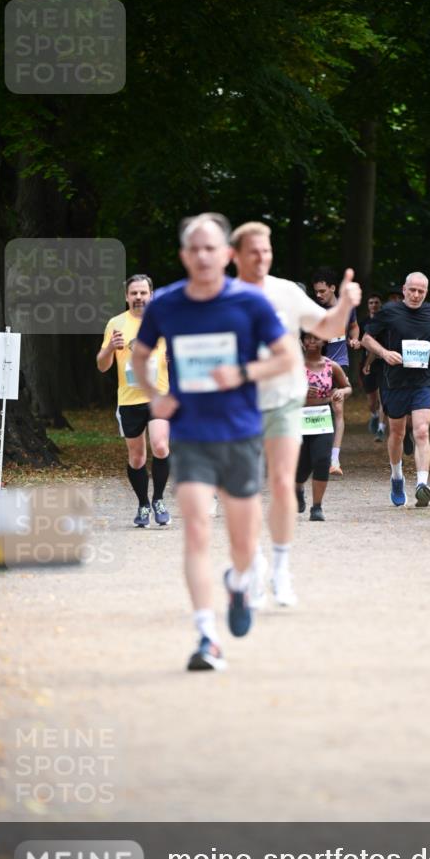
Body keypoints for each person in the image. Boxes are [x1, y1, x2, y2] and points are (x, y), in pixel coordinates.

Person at [132, 214, 294, 672]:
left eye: (211, 249)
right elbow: (141, 356)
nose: (203, 256)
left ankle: (239, 581)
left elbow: (284, 357)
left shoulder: (249, 303)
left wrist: (242, 373)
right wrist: (157, 397)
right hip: (191, 435)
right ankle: (207, 637)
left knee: (244, 547)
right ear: (184, 256)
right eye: (194, 249)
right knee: (198, 529)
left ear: (226, 255)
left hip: (241, 434)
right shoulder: (165, 304)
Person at [231, 221, 361, 606]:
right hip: (241, 403)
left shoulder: (286, 291)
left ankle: (281, 569)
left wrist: (346, 304)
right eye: (254, 251)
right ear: (236, 255)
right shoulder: (223, 295)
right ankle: (253, 563)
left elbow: (328, 326)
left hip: (285, 400)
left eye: (267, 251)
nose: (262, 257)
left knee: (284, 484)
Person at [362, 272, 430, 508]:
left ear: (426, 292)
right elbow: (367, 338)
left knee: (421, 431)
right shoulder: (389, 311)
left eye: (421, 291)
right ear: (404, 289)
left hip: (423, 380)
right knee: (397, 434)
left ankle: (422, 484)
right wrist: (385, 353)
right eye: (413, 290)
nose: (416, 295)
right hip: (394, 382)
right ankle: (397, 477)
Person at [97, 275, 171, 528]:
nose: (139, 297)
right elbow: (102, 366)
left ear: (151, 295)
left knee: (160, 446)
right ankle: (143, 504)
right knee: (137, 458)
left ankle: (159, 499)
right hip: (129, 399)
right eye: (134, 293)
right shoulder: (115, 324)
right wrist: (109, 349)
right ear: (126, 296)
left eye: (143, 293)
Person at [296, 332, 352, 521]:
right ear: (302, 341)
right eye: (308, 338)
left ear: (324, 341)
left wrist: (341, 393)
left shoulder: (331, 366)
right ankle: (298, 489)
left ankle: (317, 507)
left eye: (316, 338)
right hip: (297, 418)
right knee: (300, 466)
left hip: (322, 417)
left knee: (321, 460)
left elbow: (347, 386)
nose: (312, 341)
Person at [312, 266, 359, 475]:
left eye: (322, 291)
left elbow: (354, 326)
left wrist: (355, 338)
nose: (318, 295)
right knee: (318, 407)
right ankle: (317, 455)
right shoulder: (314, 311)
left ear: (332, 288)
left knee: (337, 406)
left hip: (340, 362)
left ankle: (334, 460)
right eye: (316, 291)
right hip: (317, 365)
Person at [358, 293, 386, 442]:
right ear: (368, 305)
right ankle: (374, 416)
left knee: (383, 397)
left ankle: (381, 428)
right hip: (367, 363)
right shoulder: (363, 323)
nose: (374, 305)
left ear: (380, 305)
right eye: (371, 302)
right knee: (371, 401)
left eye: (376, 302)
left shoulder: (386, 321)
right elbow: (360, 341)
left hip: (383, 363)